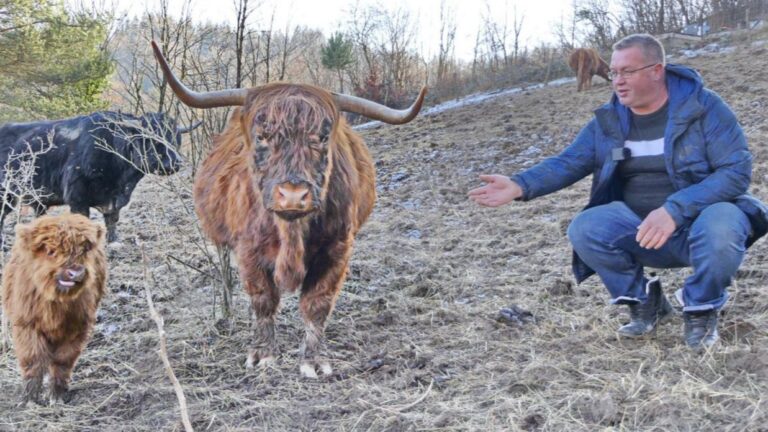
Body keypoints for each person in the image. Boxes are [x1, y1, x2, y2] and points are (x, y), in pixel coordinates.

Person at [468, 33, 768, 350]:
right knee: (586, 227)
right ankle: (645, 303)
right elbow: (569, 162)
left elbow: (735, 173)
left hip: (700, 228)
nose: (617, 81)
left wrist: (674, 210)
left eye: (627, 71)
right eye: (614, 72)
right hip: (641, 232)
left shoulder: (705, 109)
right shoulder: (610, 121)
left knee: (724, 222)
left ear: (656, 70)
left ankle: (701, 311)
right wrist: (520, 184)